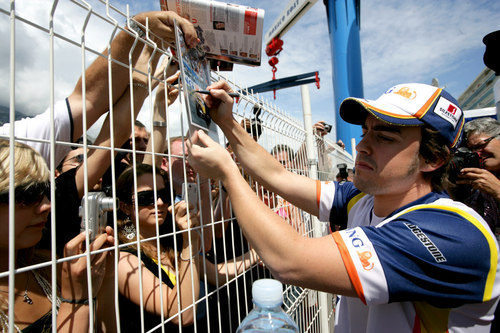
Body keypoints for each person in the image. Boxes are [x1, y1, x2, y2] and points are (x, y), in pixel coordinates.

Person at [186, 81, 500, 332]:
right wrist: (228, 122)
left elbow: (290, 260)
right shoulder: (362, 198)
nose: (362, 146)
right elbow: (278, 175)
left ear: (433, 158)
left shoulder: (453, 233)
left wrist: (229, 173)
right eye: (365, 132)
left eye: (385, 137)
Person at [0, 10, 198, 166]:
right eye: (26, 195)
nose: (44, 205)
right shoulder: (14, 157)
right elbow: (111, 137)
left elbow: (88, 102)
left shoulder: (12, 145)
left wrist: (140, 29)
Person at [0, 139, 115, 332]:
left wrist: (105, 277)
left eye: (47, 191)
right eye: (28, 194)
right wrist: (75, 301)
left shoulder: (47, 267)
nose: (47, 205)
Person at [116, 164, 201, 332]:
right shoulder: (123, 258)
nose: (160, 202)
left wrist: (256, 254)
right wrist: (189, 242)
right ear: (125, 207)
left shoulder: (171, 240)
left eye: (163, 194)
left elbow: (216, 275)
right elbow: (183, 315)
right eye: (147, 197)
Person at [453, 117, 500, 237]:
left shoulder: (491, 183)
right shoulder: (480, 181)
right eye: (472, 150)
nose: (478, 153)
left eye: (480, 145)